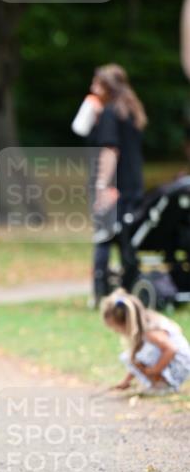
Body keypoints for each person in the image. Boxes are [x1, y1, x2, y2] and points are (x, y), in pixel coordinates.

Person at [88, 64, 147, 304]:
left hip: (114, 188)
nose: (92, 89)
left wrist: (102, 186)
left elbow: (110, 151)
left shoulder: (111, 113)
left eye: (96, 84)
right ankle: (129, 288)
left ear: (107, 88)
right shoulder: (131, 112)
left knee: (103, 237)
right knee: (127, 239)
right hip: (134, 186)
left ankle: (100, 292)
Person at [101, 289, 190, 393]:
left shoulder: (150, 331)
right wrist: (126, 381)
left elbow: (171, 349)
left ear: (127, 323)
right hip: (179, 362)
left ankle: (163, 385)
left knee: (139, 355)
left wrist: (154, 370)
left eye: (116, 329)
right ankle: (159, 382)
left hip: (180, 365)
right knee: (134, 355)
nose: (116, 332)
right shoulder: (146, 321)